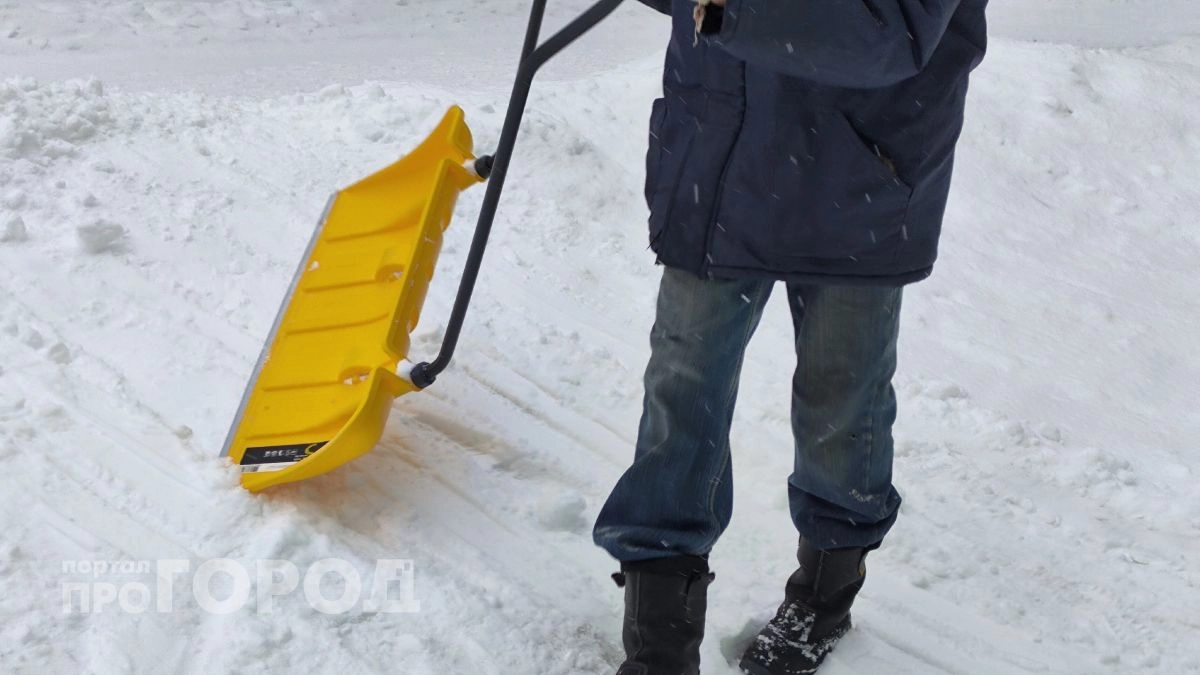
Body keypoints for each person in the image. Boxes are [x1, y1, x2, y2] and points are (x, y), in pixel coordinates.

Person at [592, 1, 989, 673]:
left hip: (861, 166)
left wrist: (728, 10)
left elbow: (891, 33)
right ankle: (659, 639)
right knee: (682, 385)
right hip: (719, 145)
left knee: (844, 398)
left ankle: (824, 593)